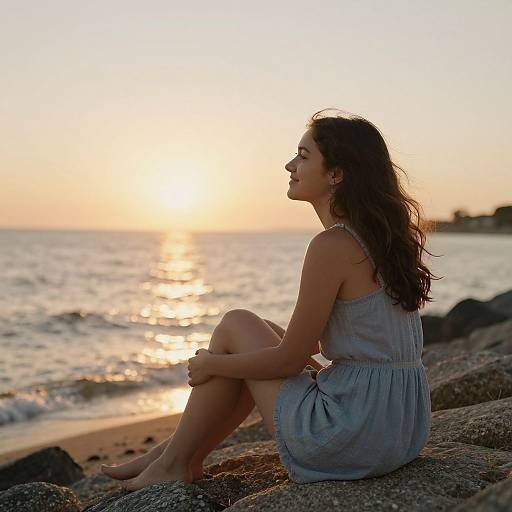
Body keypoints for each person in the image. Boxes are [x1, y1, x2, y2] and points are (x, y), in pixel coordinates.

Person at [101, 108, 440, 491]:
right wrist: (233, 363)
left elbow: (289, 359)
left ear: (336, 174)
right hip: (398, 429)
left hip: (351, 434)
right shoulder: (381, 239)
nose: (289, 164)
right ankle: (175, 455)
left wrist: (213, 364)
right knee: (260, 333)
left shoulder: (333, 245)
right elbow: (308, 343)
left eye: (303, 155)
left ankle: (176, 460)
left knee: (235, 325)